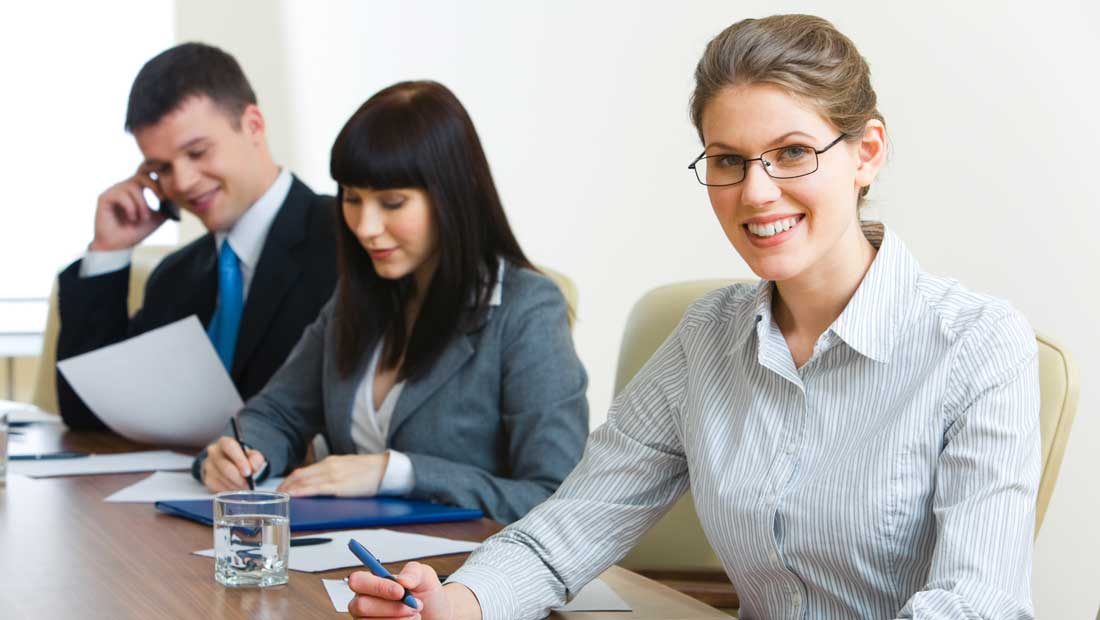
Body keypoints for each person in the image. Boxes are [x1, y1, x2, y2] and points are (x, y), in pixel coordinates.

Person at [346, 14, 1041, 620]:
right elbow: (570, 526)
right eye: (728, 161)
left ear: (867, 153)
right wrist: (453, 603)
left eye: (793, 152)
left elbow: (974, 604)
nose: (757, 193)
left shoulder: (977, 344)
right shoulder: (708, 337)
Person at [195, 81, 589, 524]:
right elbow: (277, 411)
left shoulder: (527, 310)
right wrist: (243, 452)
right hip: (352, 564)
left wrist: (397, 472)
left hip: (464, 576)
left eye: (392, 203)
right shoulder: (357, 297)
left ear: (455, 194)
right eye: (352, 199)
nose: (365, 226)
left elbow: (559, 498)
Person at [55, 43, 337, 431]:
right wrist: (109, 252)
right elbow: (88, 413)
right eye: (162, 169)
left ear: (253, 125)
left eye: (197, 152)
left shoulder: (345, 243)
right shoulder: (177, 276)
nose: (183, 183)